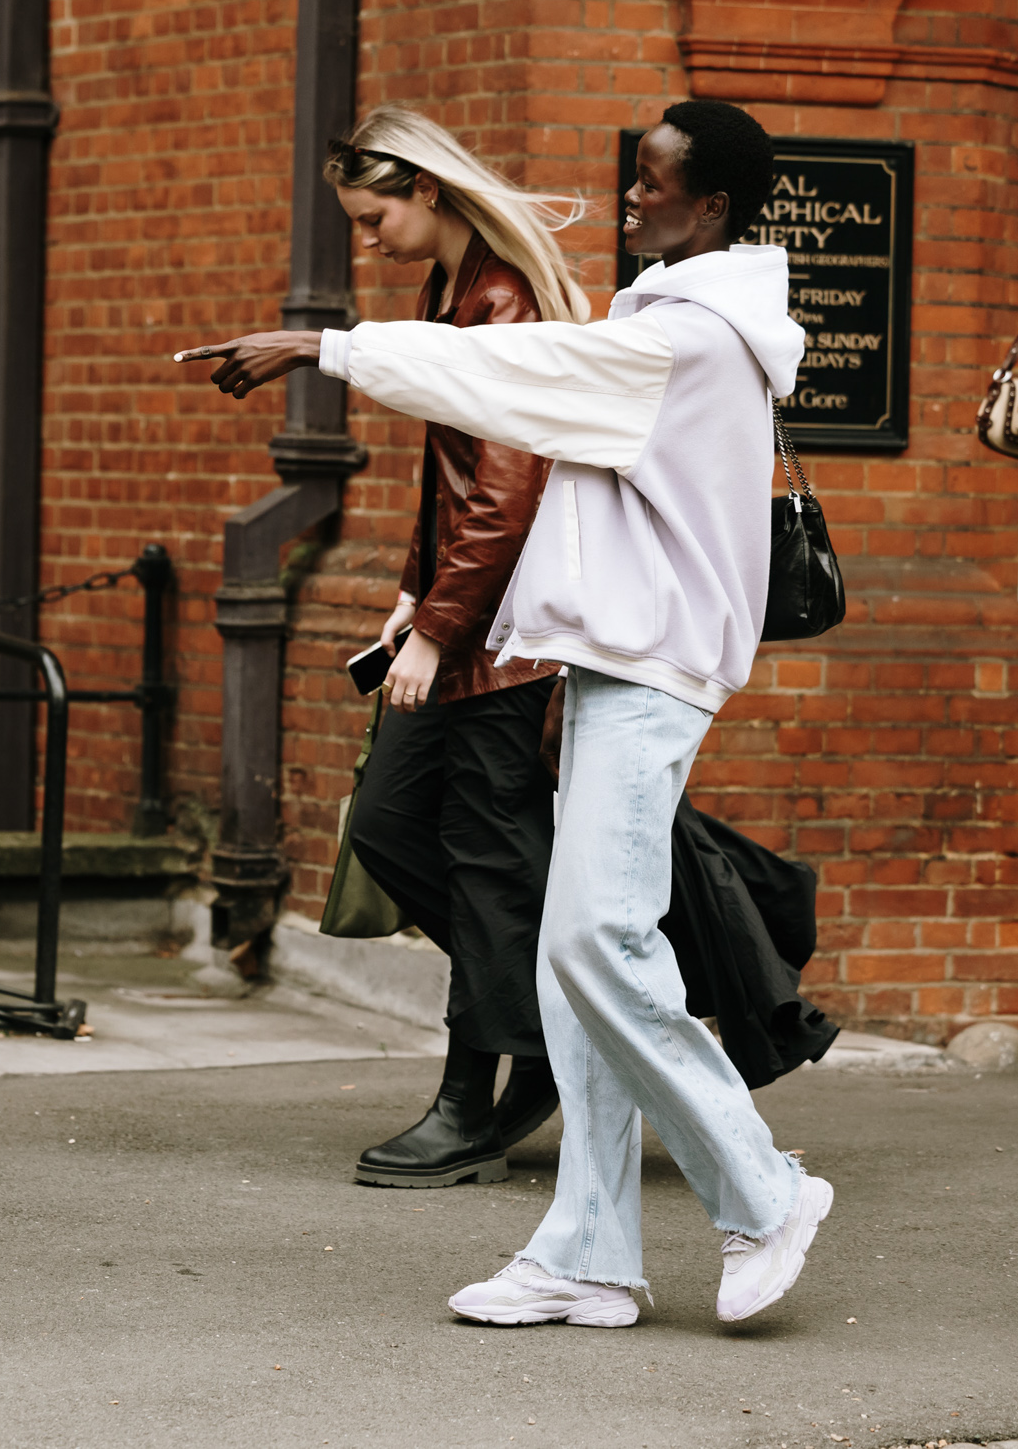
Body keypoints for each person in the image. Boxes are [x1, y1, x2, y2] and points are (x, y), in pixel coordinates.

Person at [183, 99, 832, 1330]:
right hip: (605, 658)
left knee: (593, 941)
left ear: (716, 210)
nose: (630, 201)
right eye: (631, 178)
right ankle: (588, 1252)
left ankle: (762, 1188)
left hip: (651, 667)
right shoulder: (663, 316)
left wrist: (323, 348)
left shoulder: (690, 336)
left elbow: (512, 374)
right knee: (574, 953)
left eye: (654, 187)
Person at [321, 105, 591, 1188]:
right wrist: (406, 590)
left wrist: (436, 630)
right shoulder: (453, 286)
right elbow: (450, 477)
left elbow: (509, 485)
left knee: (486, 862)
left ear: (426, 191)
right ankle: (539, 1028)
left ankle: (467, 1101)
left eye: (375, 212)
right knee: (389, 829)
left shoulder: (502, 297)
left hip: (508, 640)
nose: (367, 234)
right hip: (468, 619)